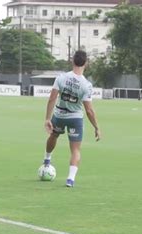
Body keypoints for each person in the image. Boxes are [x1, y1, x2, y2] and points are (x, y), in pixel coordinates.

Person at [42, 50, 101, 188]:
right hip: (75, 118)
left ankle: (47, 159)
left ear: (72, 60)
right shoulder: (86, 85)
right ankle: (70, 179)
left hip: (59, 115)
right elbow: (89, 110)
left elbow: (52, 98)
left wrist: (47, 119)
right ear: (86, 63)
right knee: (75, 150)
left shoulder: (61, 78)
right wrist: (97, 127)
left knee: (53, 136)